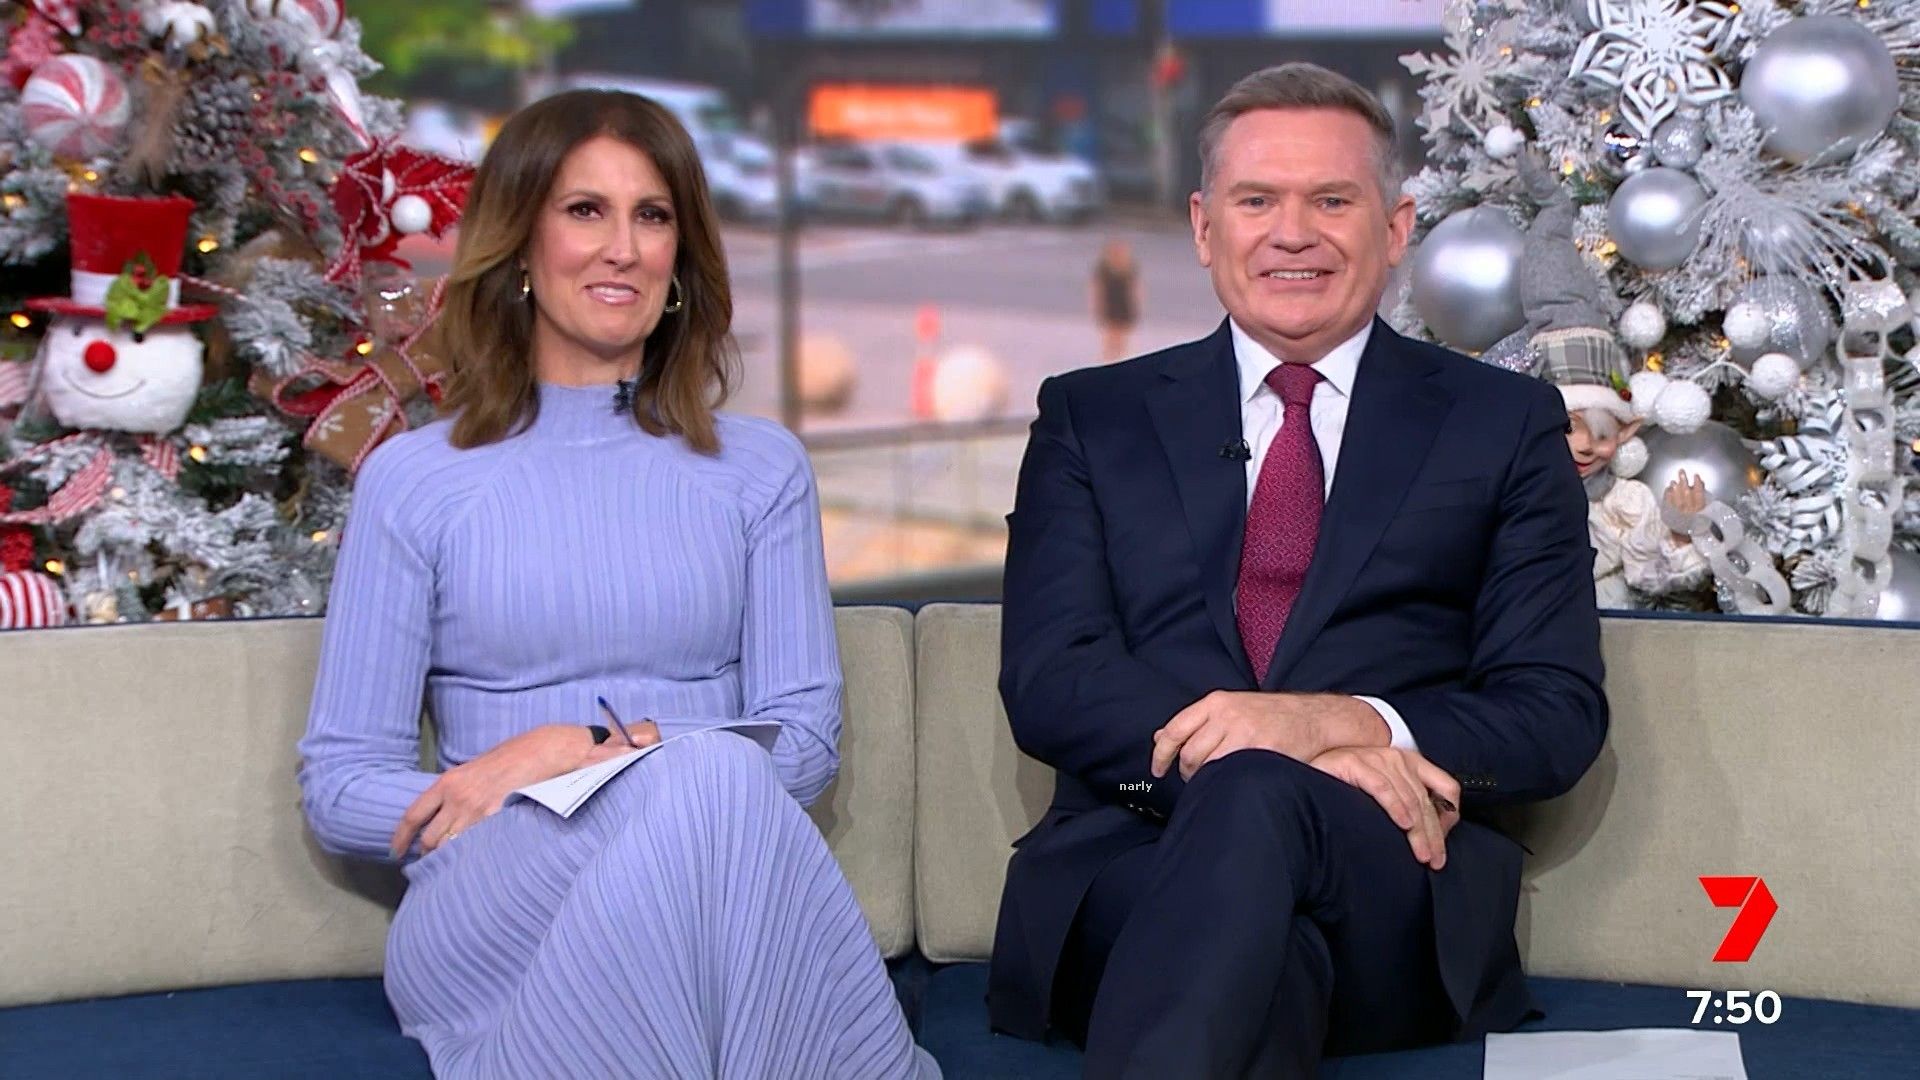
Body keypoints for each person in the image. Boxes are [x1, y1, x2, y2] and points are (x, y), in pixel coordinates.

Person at [298, 89, 938, 1080]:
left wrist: (579, 751)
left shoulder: (759, 469)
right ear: (520, 242)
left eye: (653, 216)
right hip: (495, 896)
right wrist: (524, 785)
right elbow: (341, 786)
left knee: (712, 784)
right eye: (585, 210)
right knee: (713, 775)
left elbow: (803, 748)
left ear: (681, 256)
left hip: (710, 867)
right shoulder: (414, 479)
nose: (623, 249)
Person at [989, 63, 1608, 1076]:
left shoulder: (1501, 426)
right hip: (1136, 857)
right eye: (1256, 201)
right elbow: (1054, 677)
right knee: (1267, 956)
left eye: (1331, 200)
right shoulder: (1091, 418)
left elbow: (1553, 713)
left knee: (1259, 813)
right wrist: (1276, 750)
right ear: (1204, 227)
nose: (1293, 233)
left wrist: (1336, 723)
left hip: (1392, 874)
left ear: (1396, 228)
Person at [1512, 153, 1710, 608]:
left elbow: (1650, 577)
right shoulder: (1515, 497)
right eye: (1569, 427)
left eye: (1601, 434)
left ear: (1623, 433)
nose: (1585, 446)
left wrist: (1681, 534)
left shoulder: (1626, 501)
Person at [1090, 238, 1142, 362]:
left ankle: (1119, 358)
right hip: (1110, 303)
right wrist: (1097, 305)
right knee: (1110, 334)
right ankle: (1109, 359)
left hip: (1124, 303)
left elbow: (1135, 287)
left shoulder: (1129, 267)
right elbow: (1097, 288)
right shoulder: (1104, 268)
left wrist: (1137, 304)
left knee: (1122, 335)